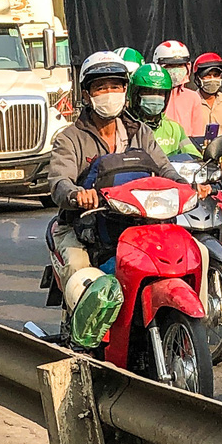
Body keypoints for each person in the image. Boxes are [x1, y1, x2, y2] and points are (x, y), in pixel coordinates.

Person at [48, 50, 175, 345]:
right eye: (101, 87)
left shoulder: (139, 132)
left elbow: (165, 168)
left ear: (125, 91)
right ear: (87, 94)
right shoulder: (70, 138)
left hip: (136, 225)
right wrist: (77, 195)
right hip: (83, 229)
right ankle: (82, 345)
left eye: (115, 86)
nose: (109, 93)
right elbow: (58, 181)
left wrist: (186, 186)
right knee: (84, 281)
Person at [129, 63, 195, 157]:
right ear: (135, 95)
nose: (155, 97)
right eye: (148, 92)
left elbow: (193, 156)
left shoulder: (174, 129)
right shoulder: (124, 127)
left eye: (160, 93)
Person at [187, 53, 222, 139]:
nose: (212, 79)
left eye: (216, 75)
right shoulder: (189, 102)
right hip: (196, 149)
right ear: (197, 78)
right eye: (207, 75)